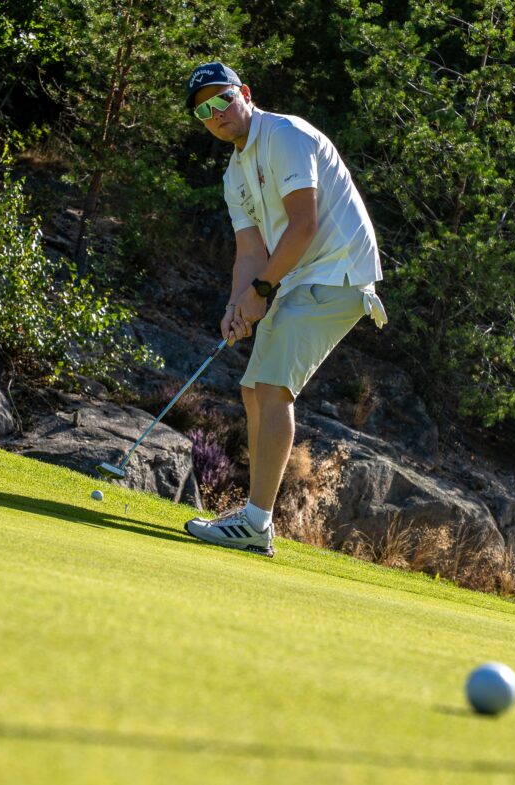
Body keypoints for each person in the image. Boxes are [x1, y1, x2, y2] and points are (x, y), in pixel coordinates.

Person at [182, 62, 387, 557]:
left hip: (337, 270)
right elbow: (249, 252)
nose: (216, 114)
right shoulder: (234, 174)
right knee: (253, 389)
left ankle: (256, 524)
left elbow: (304, 225)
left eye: (222, 100)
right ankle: (255, 520)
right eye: (203, 111)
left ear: (244, 93)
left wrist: (261, 291)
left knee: (273, 388)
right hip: (297, 277)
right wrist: (237, 304)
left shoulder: (285, 135)